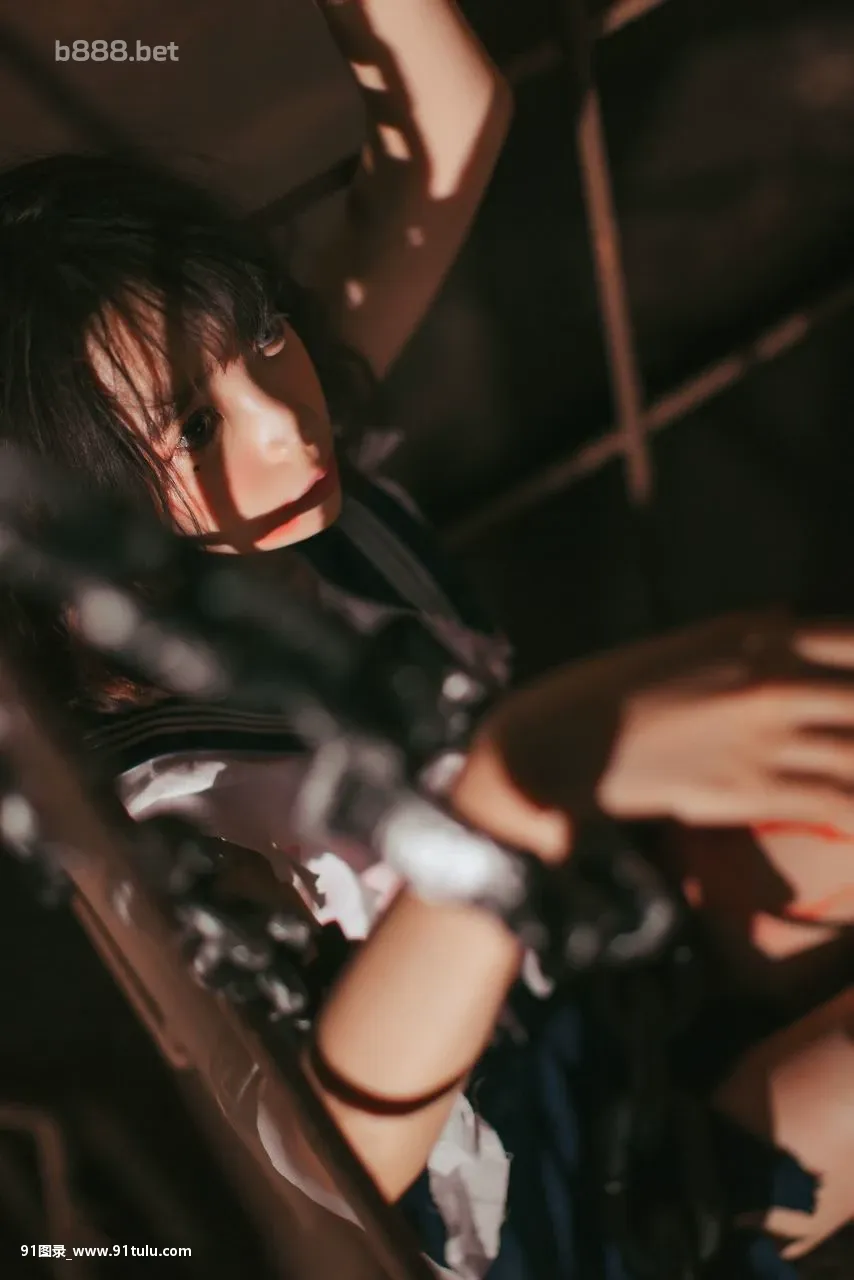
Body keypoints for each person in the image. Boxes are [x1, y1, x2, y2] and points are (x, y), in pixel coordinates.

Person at [2, 3, 854, 1273]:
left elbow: (447, 127)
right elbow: (325, 1160)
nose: (283, 420)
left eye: (266, 333)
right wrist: (508, 794)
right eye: (192, 426)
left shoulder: (279, 490)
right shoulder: (173, 805)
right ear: (64, 502)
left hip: (596, 968)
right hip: (560, 1208)